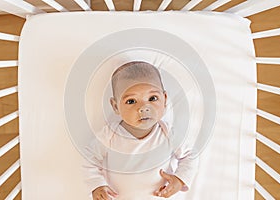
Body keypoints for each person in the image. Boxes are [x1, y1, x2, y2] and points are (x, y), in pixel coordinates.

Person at [83, 61, 198, 200]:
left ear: (165, 99)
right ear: (115, 106)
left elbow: (190, 155)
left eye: (152, 98)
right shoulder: (110, 135)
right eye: (131, 101)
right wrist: (97, 185)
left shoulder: (167, 133)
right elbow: (89, 159)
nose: (144, 108)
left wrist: (180, 180)